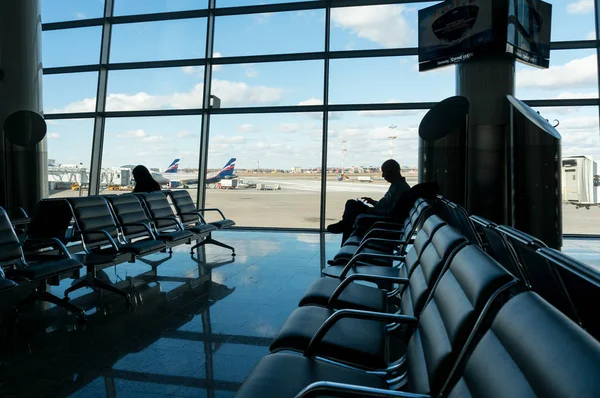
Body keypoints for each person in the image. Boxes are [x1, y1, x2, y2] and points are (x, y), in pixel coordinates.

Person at [326, 159, 411, 240]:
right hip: (381, 214)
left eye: (384, 172)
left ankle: (344, 226)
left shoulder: (399, 189)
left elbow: (389, 213)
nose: (382, 175)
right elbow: (386, 206)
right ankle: (344, 225)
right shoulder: (398, 186)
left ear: (392, 172)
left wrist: (369, 210)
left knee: (351, 205)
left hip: (382, 219)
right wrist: (373, 202)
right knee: (351, 213)